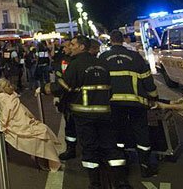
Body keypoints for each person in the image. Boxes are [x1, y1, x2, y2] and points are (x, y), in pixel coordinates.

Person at [40, 36, 131, 188]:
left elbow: (64, 87)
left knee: (89, 149)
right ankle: (121, 182)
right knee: (111, 147)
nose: (71, 47)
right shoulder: (101, 63)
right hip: (105, 113)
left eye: (74, 44)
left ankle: (95, 183)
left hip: (84, 115)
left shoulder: (75, 65)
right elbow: (110, 87)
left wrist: (45, 89)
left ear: (82, 47)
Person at [101, 30, 159, 178]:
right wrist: (154, 97)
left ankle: (122, 165)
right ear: (123, 40)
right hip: (136, 103)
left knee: (117, 132)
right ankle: (145, 166)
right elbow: (148, 80)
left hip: (113, 103)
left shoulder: (103, 58)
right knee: (141, 132)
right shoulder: (135, 57)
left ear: (111, 41)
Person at [0, 78, 62, 171]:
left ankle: (44, 156)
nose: (11, 87)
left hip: (23, 120)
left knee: (43, 129)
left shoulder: (12, 96)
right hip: (15, 124)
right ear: (3, 88)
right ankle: (41, 157)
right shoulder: (1, 99)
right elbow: (6, 115)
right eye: (8, 86)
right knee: (41, 132)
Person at [53, 41, 78, 161]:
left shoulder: (76, 61)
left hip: (74, 97)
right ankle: (71, 148)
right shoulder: (63, 60)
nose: (65, 49)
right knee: (69, 125)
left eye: (68, 46)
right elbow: (58, 77)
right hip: (66, 98)